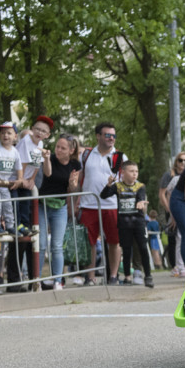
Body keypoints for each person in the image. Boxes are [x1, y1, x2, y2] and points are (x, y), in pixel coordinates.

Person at [78, 122, 126, 285]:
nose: (111, 138)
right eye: (107, 135)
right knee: (89, 242)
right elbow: (79, 178)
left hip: (111, 206)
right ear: (98, 136)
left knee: (114, 241)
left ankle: (113, 276)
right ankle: (90, 277)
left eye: (113, 136)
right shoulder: (86, 155)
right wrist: (75, 198)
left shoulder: (119, 157)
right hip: (88, 204)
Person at [37, 133, 81, 289]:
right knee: (41, 244)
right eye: (57, 147)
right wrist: (47, 159)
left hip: (60, 207)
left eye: (63, 148)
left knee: (56, 245)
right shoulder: (50, 159)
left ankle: (57, 280)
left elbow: (73, 189)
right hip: (42, 204)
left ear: (71, 150)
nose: (59, 150)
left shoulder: (75, 165)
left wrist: (72, 183)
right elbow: (47, 173)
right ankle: (36, 281)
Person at [99, 160, 153, 287]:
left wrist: (140, 203)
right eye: (131, 171)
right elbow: (103, 196)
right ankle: (127, 276)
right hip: (124, 223)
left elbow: (141, 197)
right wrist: (108, 185)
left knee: (143, 248)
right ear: (123, 173)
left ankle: (148, 276)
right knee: (126, 249)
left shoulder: (140, 186)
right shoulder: (118, 187)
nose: (135, 174)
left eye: (136, 171)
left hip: (138, 222)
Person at [160, 152, 185, 275]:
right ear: (176, 161)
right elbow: (164, 193)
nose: (182, 163)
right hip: (173, 208)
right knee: (174, 238)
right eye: (180, 160)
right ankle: (176, 265)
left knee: (183, 237)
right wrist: (170, 210)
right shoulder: (170, 176)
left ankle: (182, 264)